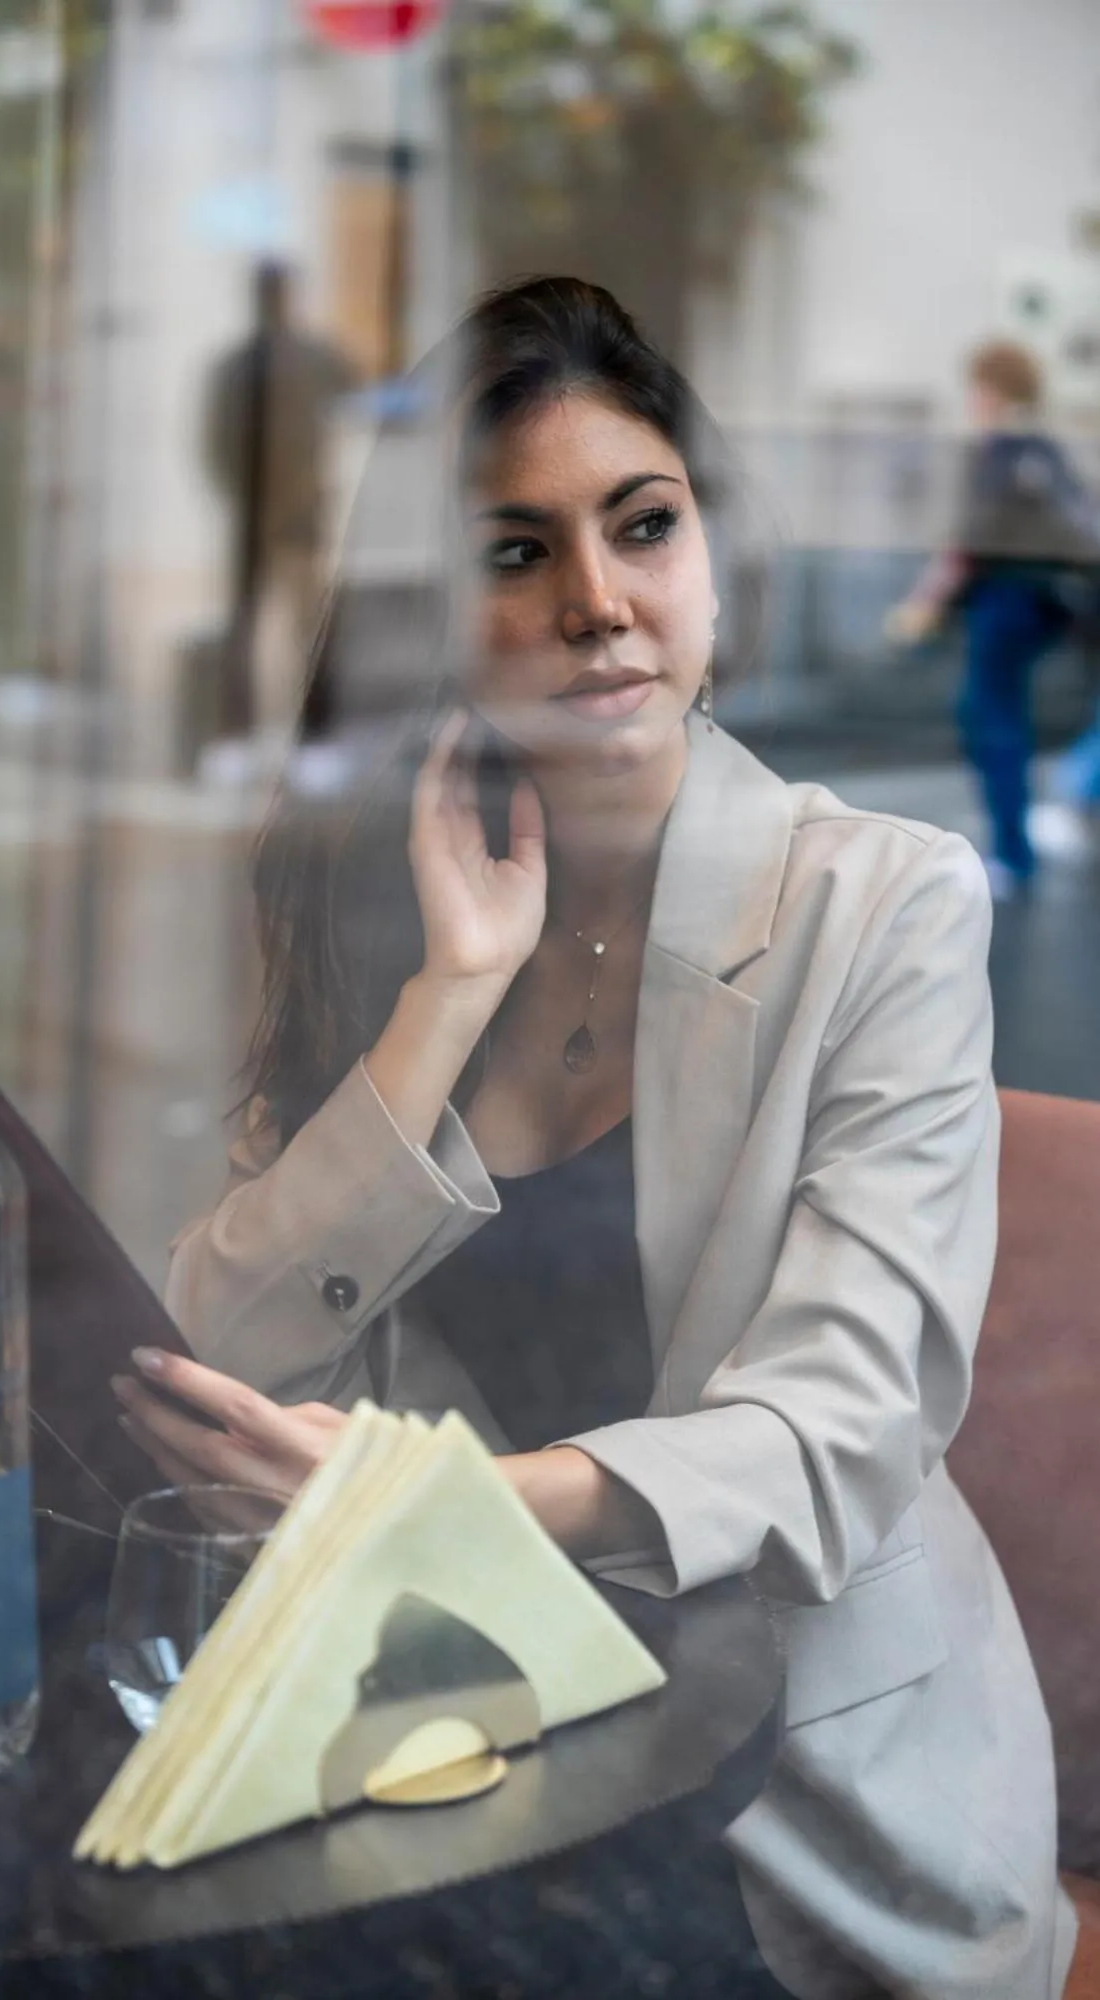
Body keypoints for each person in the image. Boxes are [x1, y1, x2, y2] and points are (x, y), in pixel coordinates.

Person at [115, 279, 1073, 1998]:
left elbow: (838, 1433)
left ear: (707, 555)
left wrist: (430, 1510)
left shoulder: (881, 905)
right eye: (513, 555)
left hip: (788, 1799)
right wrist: (445, 998)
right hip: (441, 1747)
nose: (596, 604)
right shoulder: (380, 905)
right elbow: (209, 1344)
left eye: (643, 525)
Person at [888, 339, 1097, 898]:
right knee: (1000, 716)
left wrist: (925, 602)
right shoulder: (1044, 451)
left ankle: (1012, 851)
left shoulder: (998, 454)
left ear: (993, 391)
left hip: (1005, 599)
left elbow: (969, 542)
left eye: (978, 388)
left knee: (993, 719)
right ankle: (1022, 842)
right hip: (1047, 600)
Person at [203, 260, 354, 738]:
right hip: (259, 512)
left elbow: (352, 394)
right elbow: (214, 441)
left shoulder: (312, 358)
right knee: (251, 625)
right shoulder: (238, 366)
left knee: (306, 626)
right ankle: (242, 729)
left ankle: (313, 732)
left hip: (296, 512)